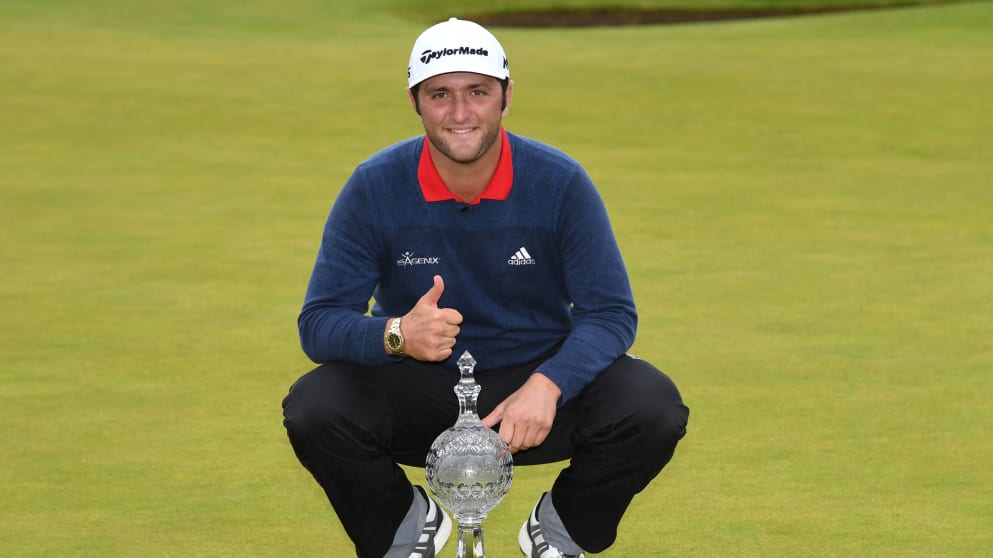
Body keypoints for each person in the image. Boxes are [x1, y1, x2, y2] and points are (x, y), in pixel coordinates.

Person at [282, 17, 689, 558]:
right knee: (315, 406)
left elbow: (611, 313)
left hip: (535, 390)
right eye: (440, 94)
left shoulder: (559, 183)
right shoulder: (374, 187)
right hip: (420, 387)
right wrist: (398, 334)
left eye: (477, 92)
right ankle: (405, 528)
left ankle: (562, 529)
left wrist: (550, 384)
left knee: (651, 405)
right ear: (415, 102)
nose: (459, 113)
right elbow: (319, 323)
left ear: (506, 96)